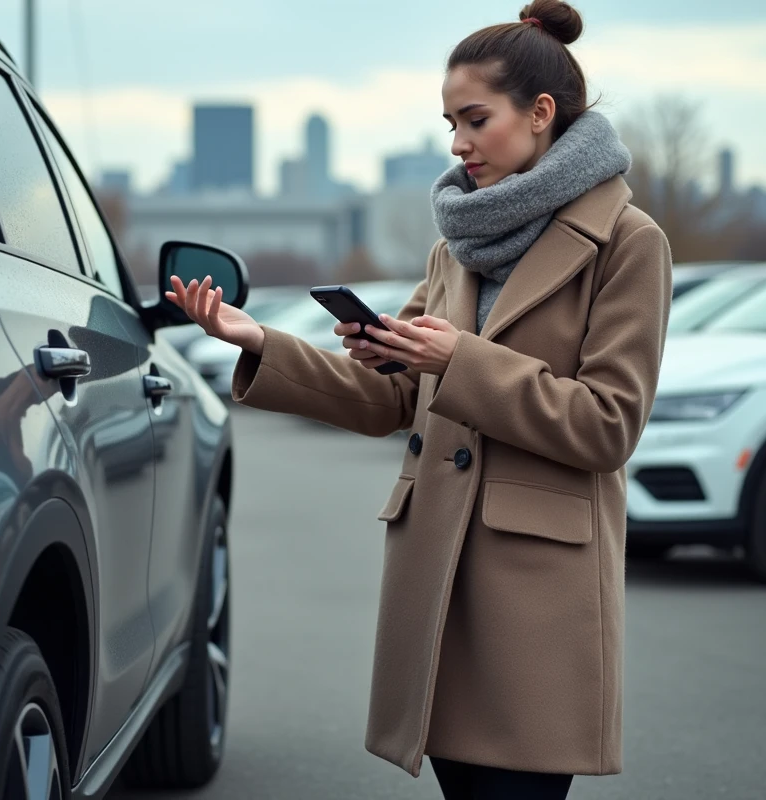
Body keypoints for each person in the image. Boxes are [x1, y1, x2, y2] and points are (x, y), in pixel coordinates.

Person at [166, 1, 672, 796]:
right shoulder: (459, 242)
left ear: (541, 114)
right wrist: (261, 340)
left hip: (533, 596)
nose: (459, 145)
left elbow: (608, 425)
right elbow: (390, 400)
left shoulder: (630, 242)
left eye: (476, 120)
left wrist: (459, 359)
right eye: (449, 124)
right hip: (436, 576)